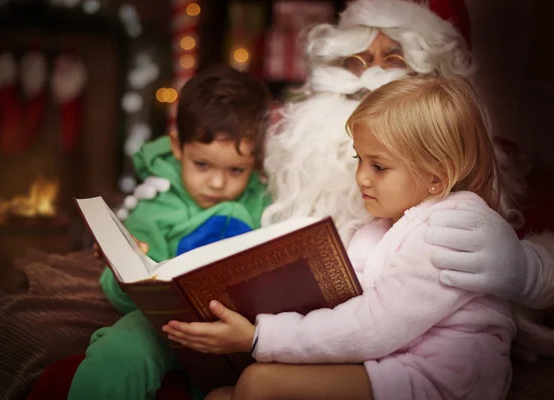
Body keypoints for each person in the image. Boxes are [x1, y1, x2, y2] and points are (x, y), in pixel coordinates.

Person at [164, 74, 527, 400]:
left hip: (443, 376)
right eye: (359, 160)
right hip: (390, 357)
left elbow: (376, 326)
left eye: (379, 166)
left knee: (259, 384)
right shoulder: (384, 225)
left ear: (436, 177)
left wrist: (259, 337)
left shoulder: (451, 232)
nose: (361, 178)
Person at [260, 0, 554, 329]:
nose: (369, 77)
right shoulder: (283, 166)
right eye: (355, 60)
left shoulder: (508, 173)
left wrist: (532, 274)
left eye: (395, 59)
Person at [67, 64, 272, 400]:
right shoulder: (155, 203)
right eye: (202, 164)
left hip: (245, 330)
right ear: (178, 147)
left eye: (236, 170)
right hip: (169, 327)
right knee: (120, 351)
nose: (218, 183)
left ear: (257, 160)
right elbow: (127, 299)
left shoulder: (266, 202)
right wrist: (122, 265)